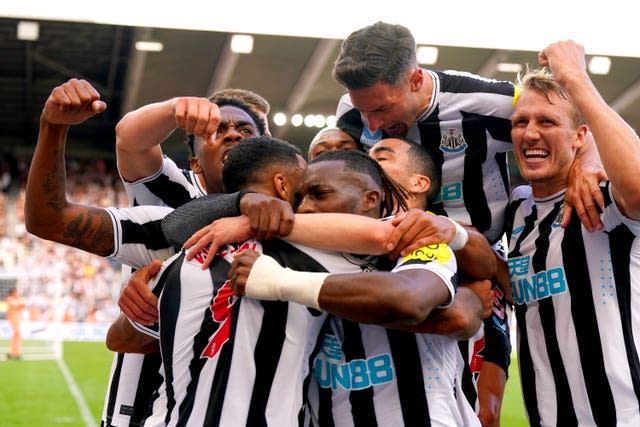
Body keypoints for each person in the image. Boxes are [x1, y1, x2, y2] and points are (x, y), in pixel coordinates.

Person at [330, 21, 607, 426]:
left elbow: (561, 119)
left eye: (382, 109)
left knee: (484, 411)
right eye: (363, 110)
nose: (369, 124)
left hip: (481, 262)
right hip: (400, 261)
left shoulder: (489, 102)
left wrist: (591, 158)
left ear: (416, 79)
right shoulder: (351, 112)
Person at [22, 78, 268, 427]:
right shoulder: (174, 211)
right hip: (145, 413)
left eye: (248, 129)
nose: (234, 134)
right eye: (218, 126)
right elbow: (121, 337)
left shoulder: (308, 226)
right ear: (195, 163)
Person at [506, 40, 640, 426]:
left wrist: (574, 77)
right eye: (521, 122)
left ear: (580, 136)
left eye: (547, 122)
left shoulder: (604, 199)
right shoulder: (517, 211)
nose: (530, 133)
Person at [369, 137, 512, 423]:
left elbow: (464, 313)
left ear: (419, 183)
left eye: (381, 158)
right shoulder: (338, 235)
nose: (366, 162)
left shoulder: (452, 240)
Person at [6, 288, 25, 360]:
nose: (16, 293)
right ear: (12, 293)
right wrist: (21, 303)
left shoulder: (17, 299)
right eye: (15, 292)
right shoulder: (10, 299)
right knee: (18, 335)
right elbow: (17, 306)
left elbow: (21, 305)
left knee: (16, 335)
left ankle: (13, 353)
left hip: (18, 319)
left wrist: (21, 302)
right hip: (13, 320)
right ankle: (16, 353)